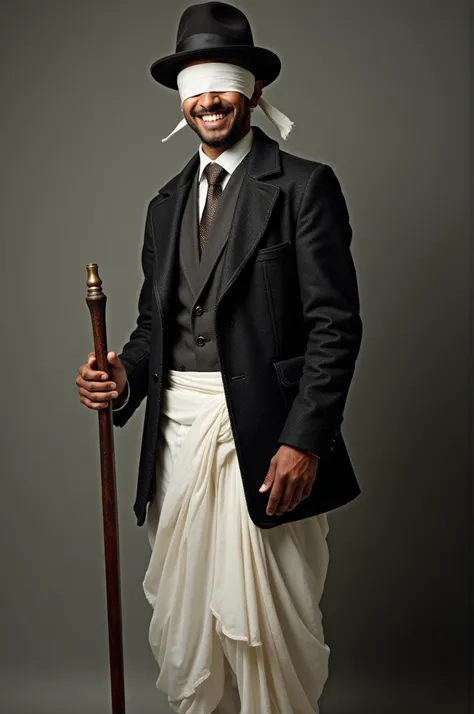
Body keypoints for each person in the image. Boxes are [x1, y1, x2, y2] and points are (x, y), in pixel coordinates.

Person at [76, 2, 363, 712]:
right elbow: (155, 326)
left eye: (224, 82)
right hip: (178, 438)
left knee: (272, 633)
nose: (209, 99)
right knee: (189, 629)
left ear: (254, 90)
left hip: (268, 442)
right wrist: (123, 375)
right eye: (195, 85)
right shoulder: (163, 205)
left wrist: (306, 441)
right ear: (181, 98)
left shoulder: (303, 186)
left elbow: (336, 325)